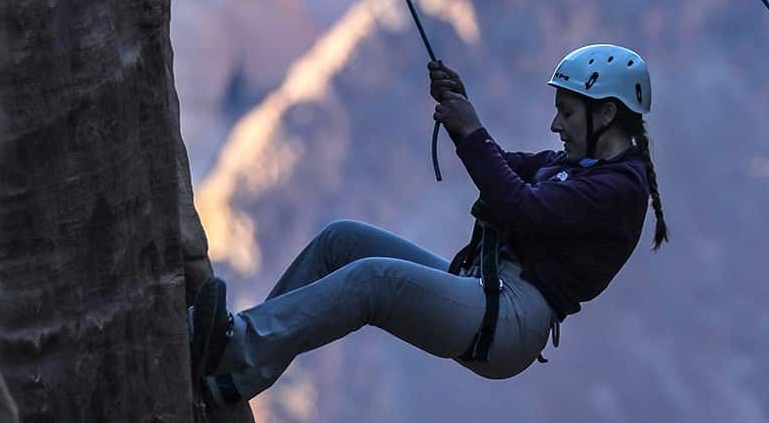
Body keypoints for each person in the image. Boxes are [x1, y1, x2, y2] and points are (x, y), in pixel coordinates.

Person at [188, 44, 672, 409]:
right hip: (486, 291)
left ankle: (237, 346)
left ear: (606, 113)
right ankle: (234, 373)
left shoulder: (620, 189)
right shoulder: (577, 165)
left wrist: (470, 130)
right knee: (342, 241)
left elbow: (522, 208)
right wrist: (462, 108)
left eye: (566, 113)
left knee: (373, 280)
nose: (555, 126)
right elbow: (502, 168)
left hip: (512, 320)